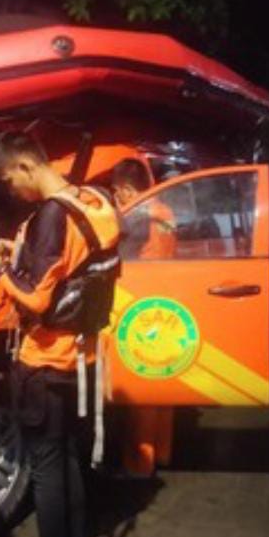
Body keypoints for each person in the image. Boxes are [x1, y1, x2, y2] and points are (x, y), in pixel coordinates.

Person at [0, 131, 121, 537]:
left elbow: (36, 299)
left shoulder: (50, 217)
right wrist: (18, 251)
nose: (9, 189)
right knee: (70, 459)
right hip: (85, 358)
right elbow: (74, 265)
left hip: (45, 362)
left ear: (25, 165)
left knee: (45, 468)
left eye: (7, 178)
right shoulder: (95, 202)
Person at [109, 158, 176, 476]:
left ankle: (139, 463)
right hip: (164, 298)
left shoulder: (136, 216)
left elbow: (119, 261)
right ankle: (161, 452)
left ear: (124, 188)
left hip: (139, 303)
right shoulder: (165, 211)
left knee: (140, 392)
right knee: (161, 386)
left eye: (115, 193)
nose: (116, 199)